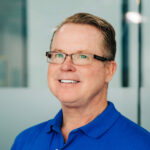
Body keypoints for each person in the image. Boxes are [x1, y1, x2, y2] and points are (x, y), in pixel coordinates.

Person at [11, 12, 150, 150]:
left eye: (82, 56)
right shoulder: (25, 141)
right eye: (58, 55)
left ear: (109, 70)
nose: (66, 66)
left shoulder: (141, 144)